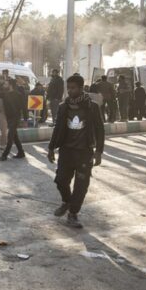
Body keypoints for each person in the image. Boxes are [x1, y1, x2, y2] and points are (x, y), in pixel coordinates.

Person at [47, 74, 103, 228]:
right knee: (60, 181)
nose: (70, 91)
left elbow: (100, 130)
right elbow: (58, 128)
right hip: (66, 151)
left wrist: (99, 151)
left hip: (84, 153)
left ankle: (73, 214)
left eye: (73, 88)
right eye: (68, 88)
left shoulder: (92, 107)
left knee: (81, 185)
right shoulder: (63, 107)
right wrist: (51, 147)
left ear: (80, 88)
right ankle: (66, 201)